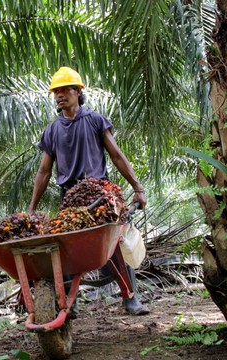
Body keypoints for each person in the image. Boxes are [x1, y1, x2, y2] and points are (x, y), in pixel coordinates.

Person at [29, 66, 150, 316]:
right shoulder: (52, 130)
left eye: (64, 90)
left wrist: (138, 188)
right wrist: (32, 209)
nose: (59, 95)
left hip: (100, 194)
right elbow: (43, 172)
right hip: (71, 197)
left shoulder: (95, 120)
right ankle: (69, 304)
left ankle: (130, 298)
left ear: (78, 91)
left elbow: (116, 155)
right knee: (67, 249)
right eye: (56, 91)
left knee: (114, 245)